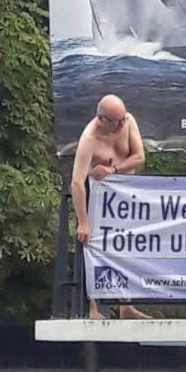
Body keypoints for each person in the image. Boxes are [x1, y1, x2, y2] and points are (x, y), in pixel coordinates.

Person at [71, 95, 149, 321]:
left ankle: (127, 305)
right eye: (117, 122)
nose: (122, 125)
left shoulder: (128, 121)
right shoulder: (89, 139)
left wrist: (112, 169)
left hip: (125, 196)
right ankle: (93, 307)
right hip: (101, 200)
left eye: (123, 120)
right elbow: (77, 181)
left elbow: (139, 156)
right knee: (94, 246)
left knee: (128, 247)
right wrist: (83, 220)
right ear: (102, 119)